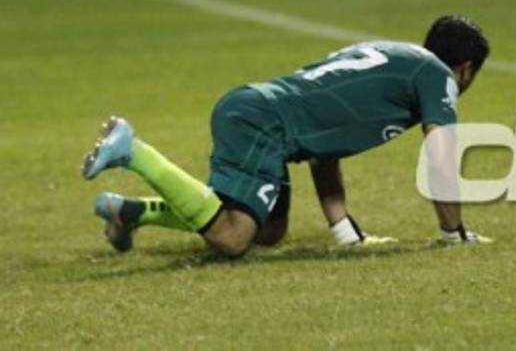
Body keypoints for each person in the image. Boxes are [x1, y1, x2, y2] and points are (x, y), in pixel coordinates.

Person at [81, 15, 491, 257]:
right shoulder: (437, 74)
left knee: (269, 232)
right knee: (232, 237)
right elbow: (439, 156)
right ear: (466, 68)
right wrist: (452, 234)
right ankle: (133, 151)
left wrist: (345, 232)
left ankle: (131, 211)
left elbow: (325, 147)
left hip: (260, 111)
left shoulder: (394, 57)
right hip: (264, 120)